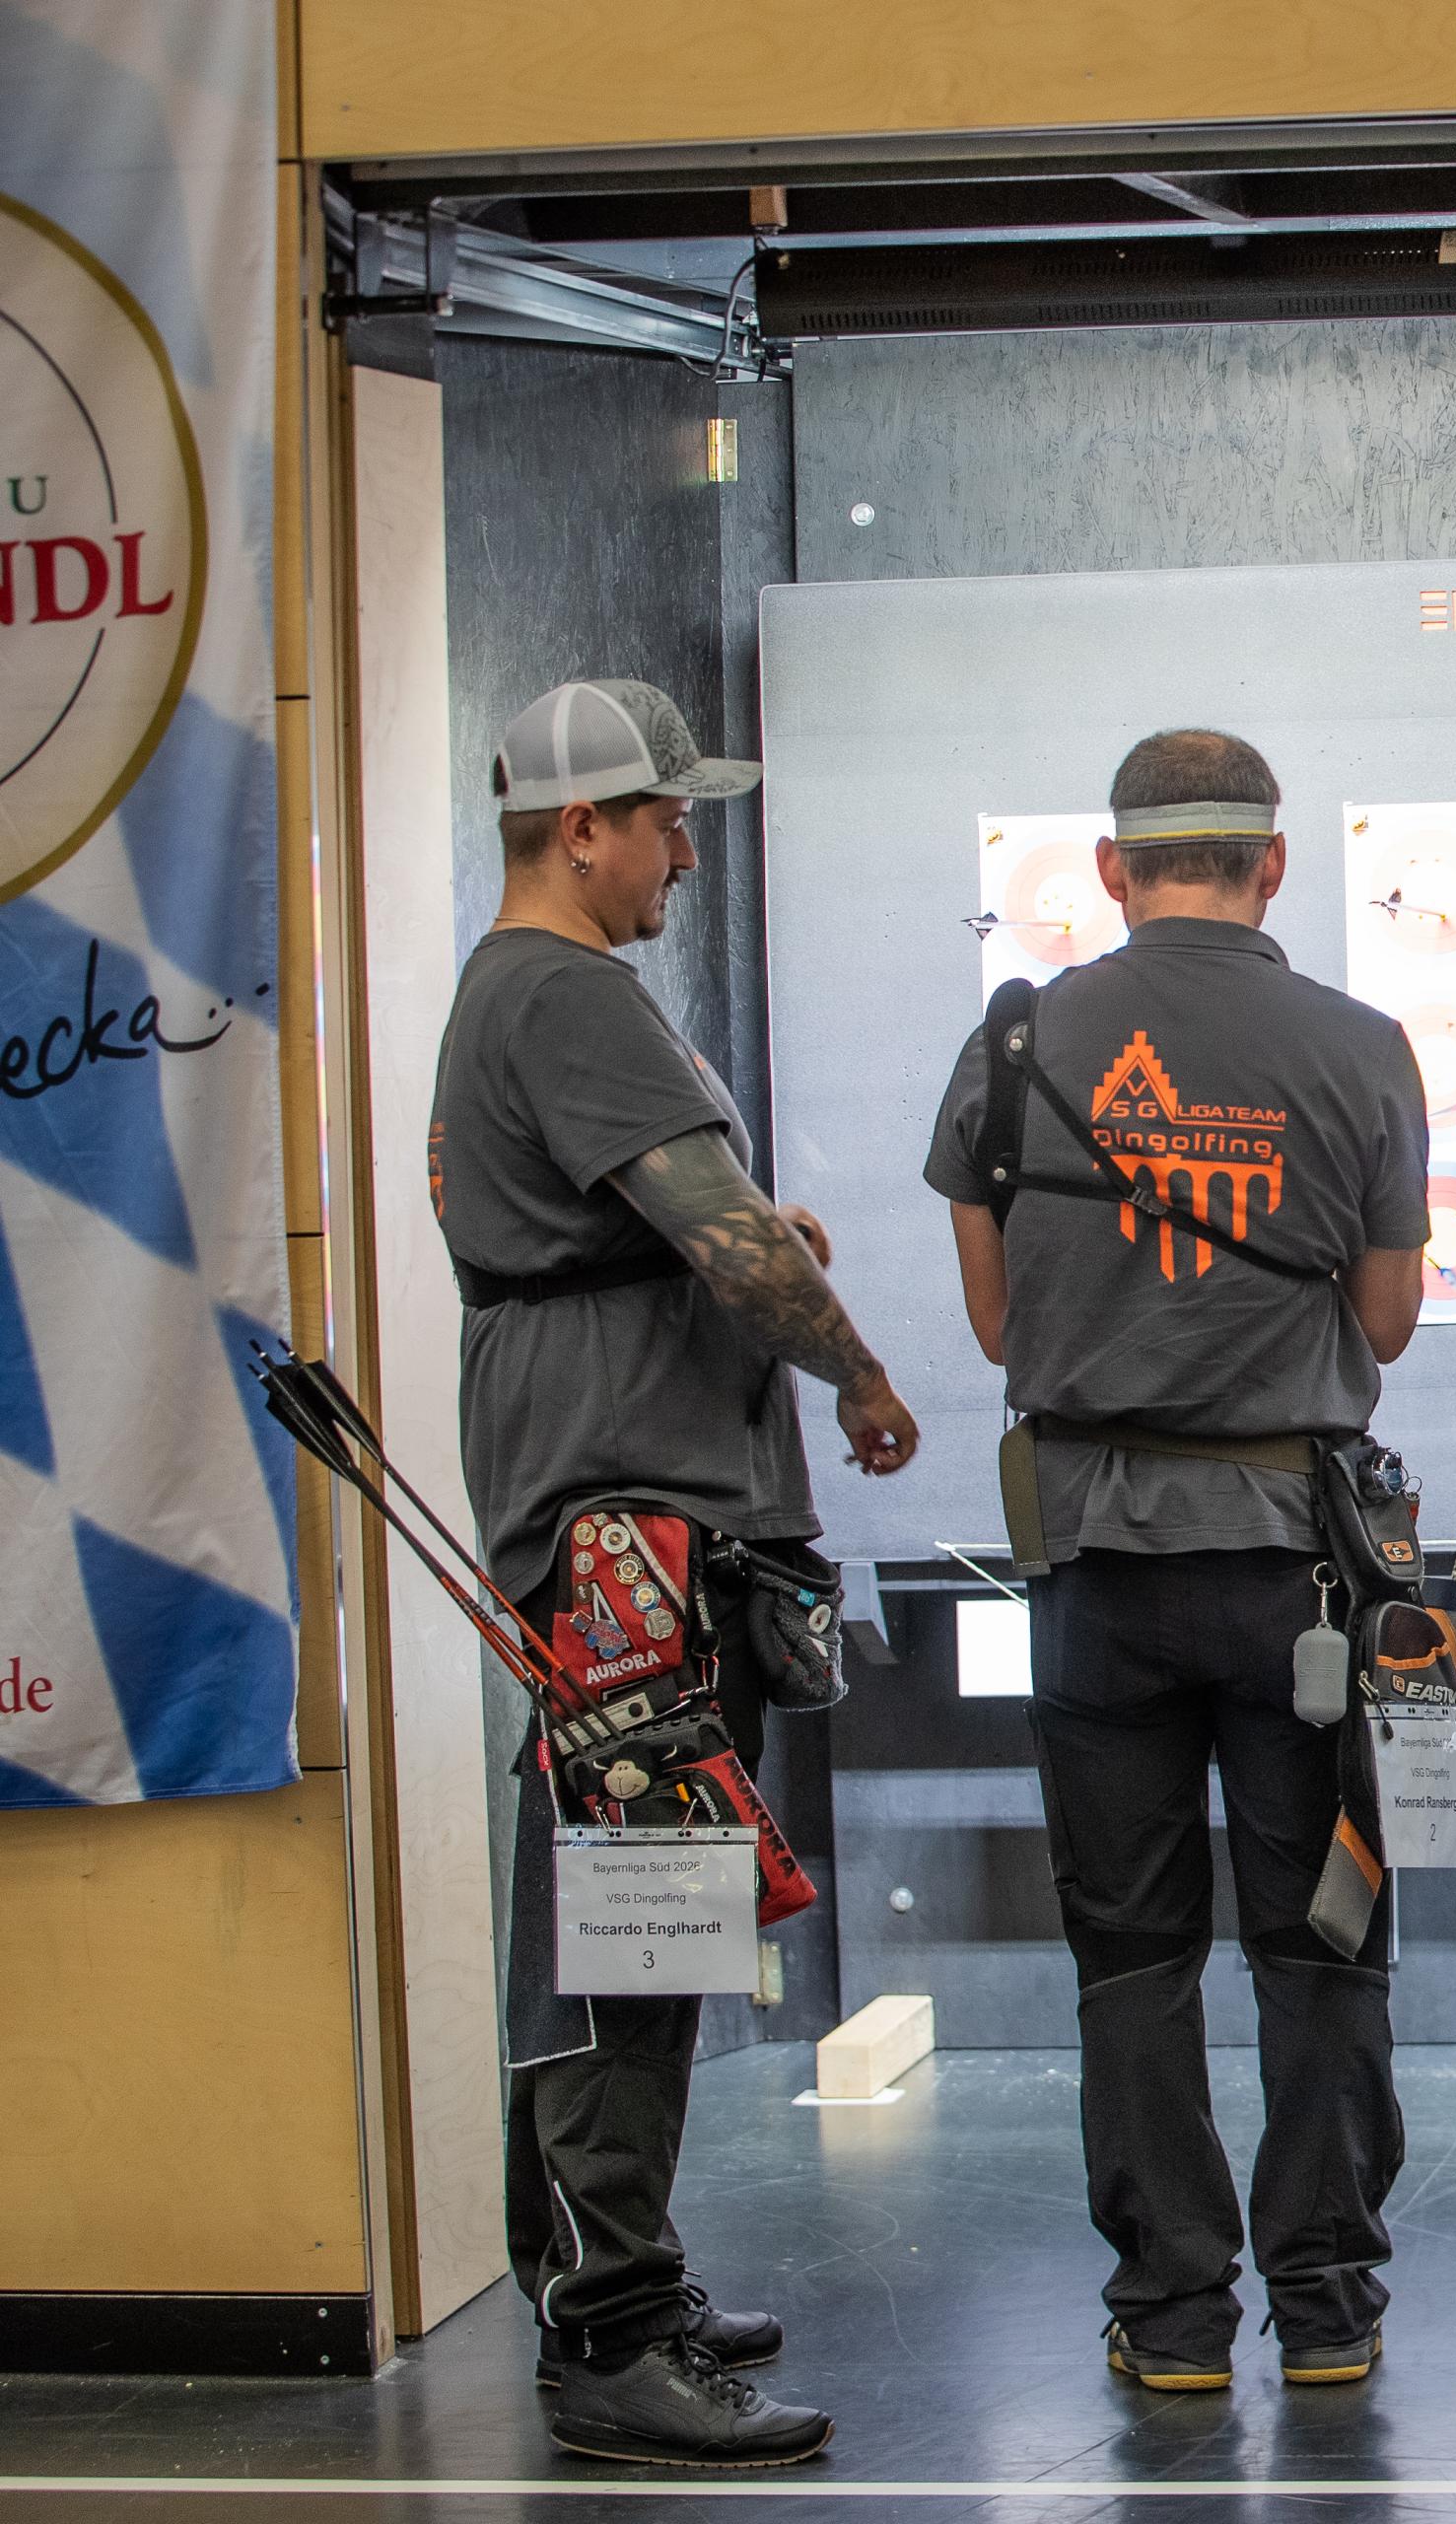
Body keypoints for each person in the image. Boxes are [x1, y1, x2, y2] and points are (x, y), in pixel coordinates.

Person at [434, 677, 919, 2467]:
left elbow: (666, 1228)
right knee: (627, 1932)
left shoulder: (539, 994)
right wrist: (857, 1372)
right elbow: (722, 1243)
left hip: (635, 1514)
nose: (685, 853)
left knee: (649, 1915)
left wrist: (746, 1238)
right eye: (665, 821)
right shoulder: (563, 991)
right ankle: (611, 2333)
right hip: (625, 1526)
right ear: (582, 829)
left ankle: (616, 2279)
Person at [923, 729, 1428, 2393]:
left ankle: (1174, 2320)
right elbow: (1386, 1320)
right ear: (1273, 864)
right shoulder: (1364, 1048)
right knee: (1323, 1938)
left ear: (1110, 870)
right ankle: (1330, 2309)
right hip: (1298, 1581)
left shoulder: (1015, 1045)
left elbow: (999, 1325)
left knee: (1133, 1957)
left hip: (1096, 1578)